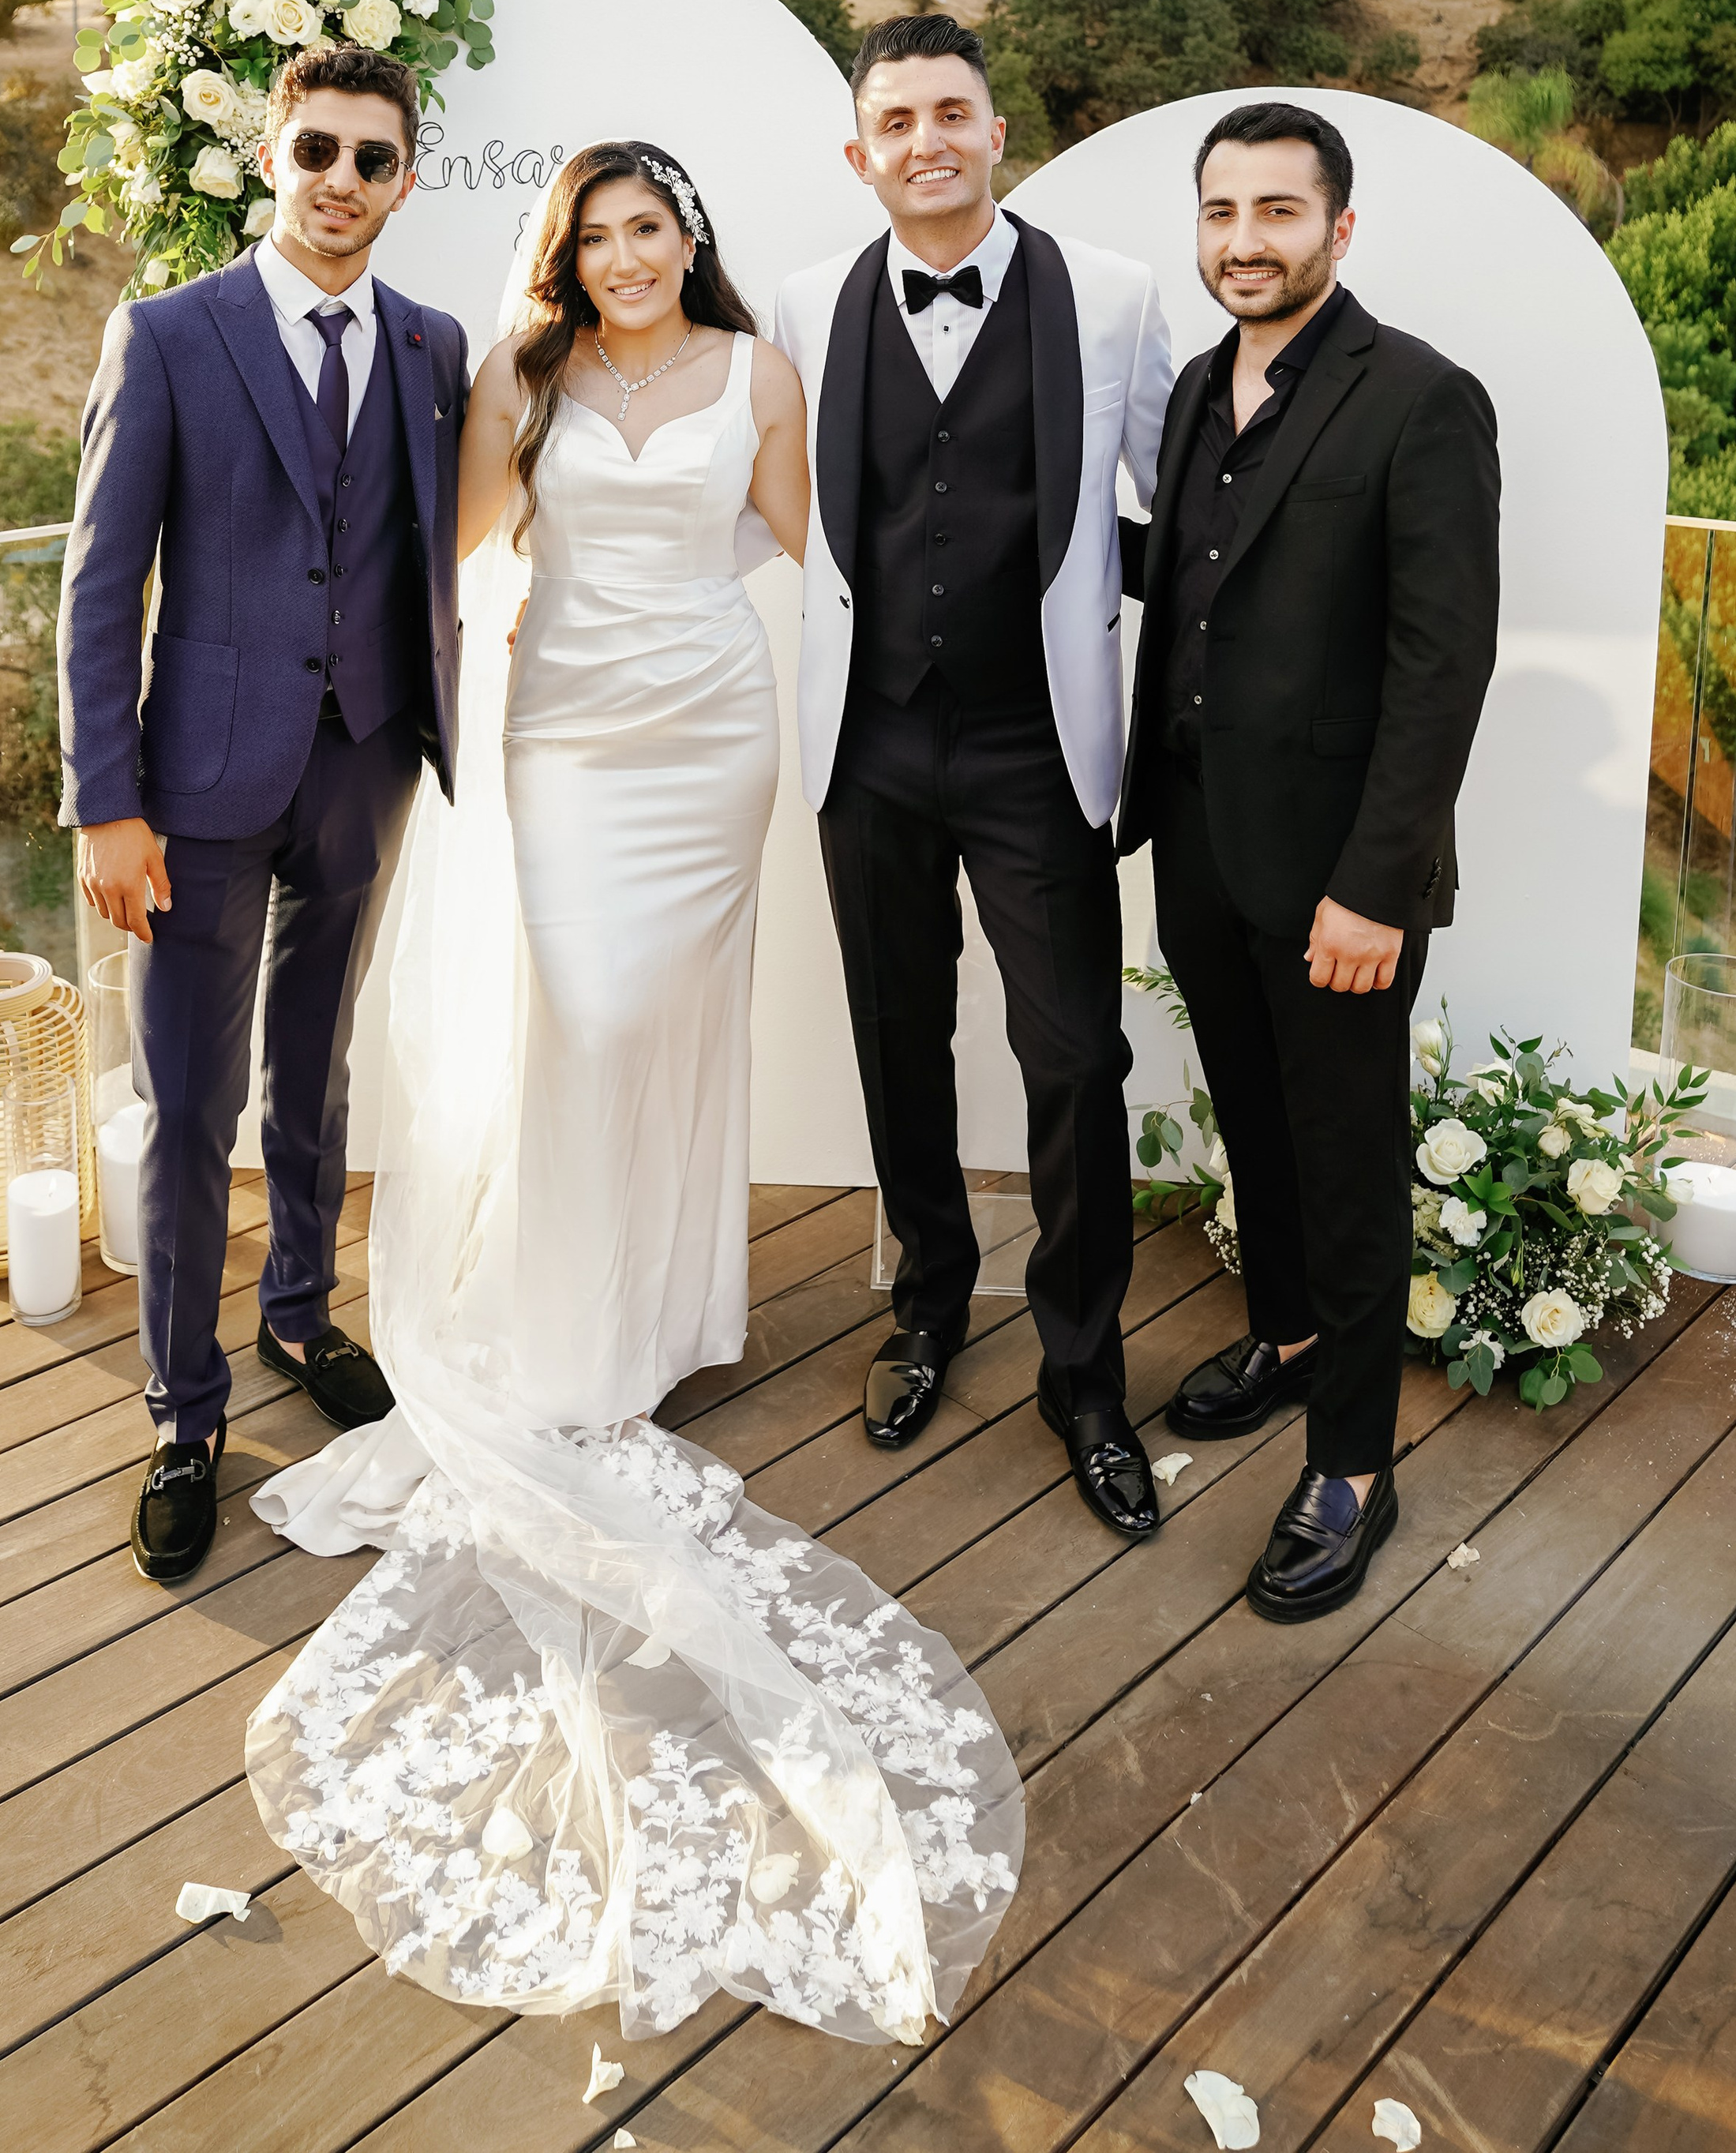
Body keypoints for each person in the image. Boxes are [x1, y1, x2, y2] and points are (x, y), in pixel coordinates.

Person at [246, 144, 1023, 2047]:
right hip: (567, 744)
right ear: (565, 256)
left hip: (708, 739)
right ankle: (568, 1337)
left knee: (675, 1032)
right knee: (583, 1024)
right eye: (594, 234)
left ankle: (666, 1313)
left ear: (690, 242)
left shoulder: (761, 375)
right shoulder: (522, 383)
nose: (625, 256)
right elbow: (459, 561)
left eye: (650, 227)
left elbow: (799, 550)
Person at [58, 43, 465, 1587]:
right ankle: (184, 1411)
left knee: (316, 1068)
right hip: (196, 786)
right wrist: (108, 803)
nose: (342, 183)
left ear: (405, 179)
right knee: (184, 1110)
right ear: (271, 160)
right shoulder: (167, 336)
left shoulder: (431, 346)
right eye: (316, 152)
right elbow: (100, 585)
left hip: (362, 765)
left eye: (372, 158)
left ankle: (301, 1309)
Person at [774, 14, 1175, 1541]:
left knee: (1076, 1060)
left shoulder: (1117, 298)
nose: (927, 139)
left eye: (954, 111)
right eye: (898, 119)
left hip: (1034, 735)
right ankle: (929, 1302)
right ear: (861, 151)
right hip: (868, 737)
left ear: (997, 132)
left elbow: (1176, 498)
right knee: (900, 1035)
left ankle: (1083, 1368)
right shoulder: (809, 308)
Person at [1120, 99, 1501, 1622]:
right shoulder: (1197, 391)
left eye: (1277, 214)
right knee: (1254, 1120)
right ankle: (1286, 1339)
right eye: (1221, 214)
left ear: (1340, 229)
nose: (1243, 242)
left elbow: (1441, 668)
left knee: (1345, 1154)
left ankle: (1354, 1461)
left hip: (1342, 866)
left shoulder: (1421, 399)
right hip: (1203, 835)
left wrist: (1376, 886)